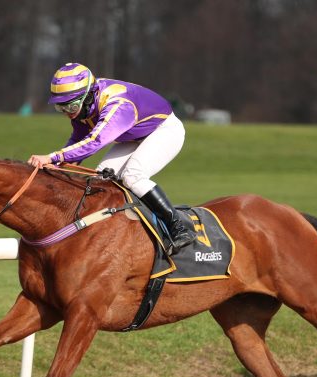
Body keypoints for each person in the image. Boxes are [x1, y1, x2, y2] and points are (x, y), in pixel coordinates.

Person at [28, 62, 196, 255]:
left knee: (133, 176)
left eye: (71, 106)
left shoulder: (118, 104)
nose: (68, 114)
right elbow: (78, 138)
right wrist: (59, 168)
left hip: (164, 131)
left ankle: (179, 228)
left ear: (87, 95)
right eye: (61, 108)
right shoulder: (84, 106)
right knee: (101, 179)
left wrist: (52, 157)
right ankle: (116, 233)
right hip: (133, 136)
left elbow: (95, 141)